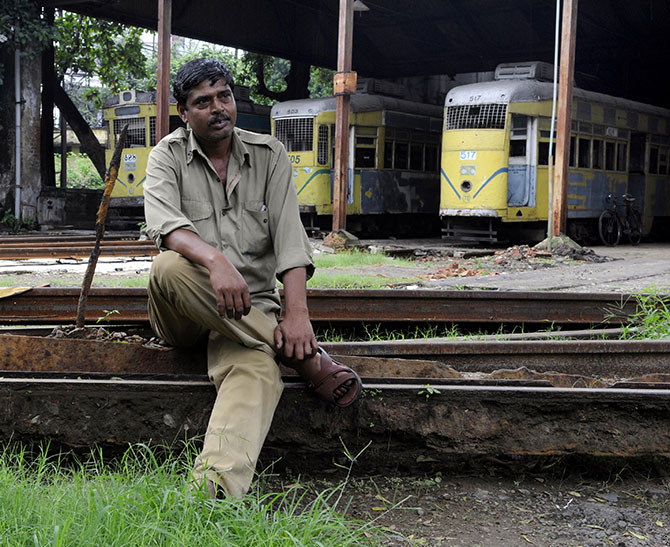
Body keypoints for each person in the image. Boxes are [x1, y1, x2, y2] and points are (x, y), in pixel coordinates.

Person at [143, 58, 362, 499]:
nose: (218, 107)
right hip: (186, 309)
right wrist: (215, 261)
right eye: (202, 102)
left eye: (224, 96)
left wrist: (297, 314)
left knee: (258, 369)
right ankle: (306, 359)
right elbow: (166, 228)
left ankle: (213, 492)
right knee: (168, 265)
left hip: (249, 310)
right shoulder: (166, 155)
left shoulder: (269, 154)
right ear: (184, 114)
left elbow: (290, 241)